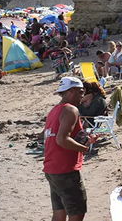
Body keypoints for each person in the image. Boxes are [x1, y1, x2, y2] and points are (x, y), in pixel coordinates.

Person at [43, 77, 93, 221]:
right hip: (65, 170)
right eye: (80, 92)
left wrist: (84, 139)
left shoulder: (54, 110)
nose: (82, 96)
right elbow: (62, 139)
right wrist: (83, 148)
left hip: (52, 168)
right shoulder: (71, 109)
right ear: (71, 91)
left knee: (59, 212)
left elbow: (53, 136)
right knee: (76, 212)